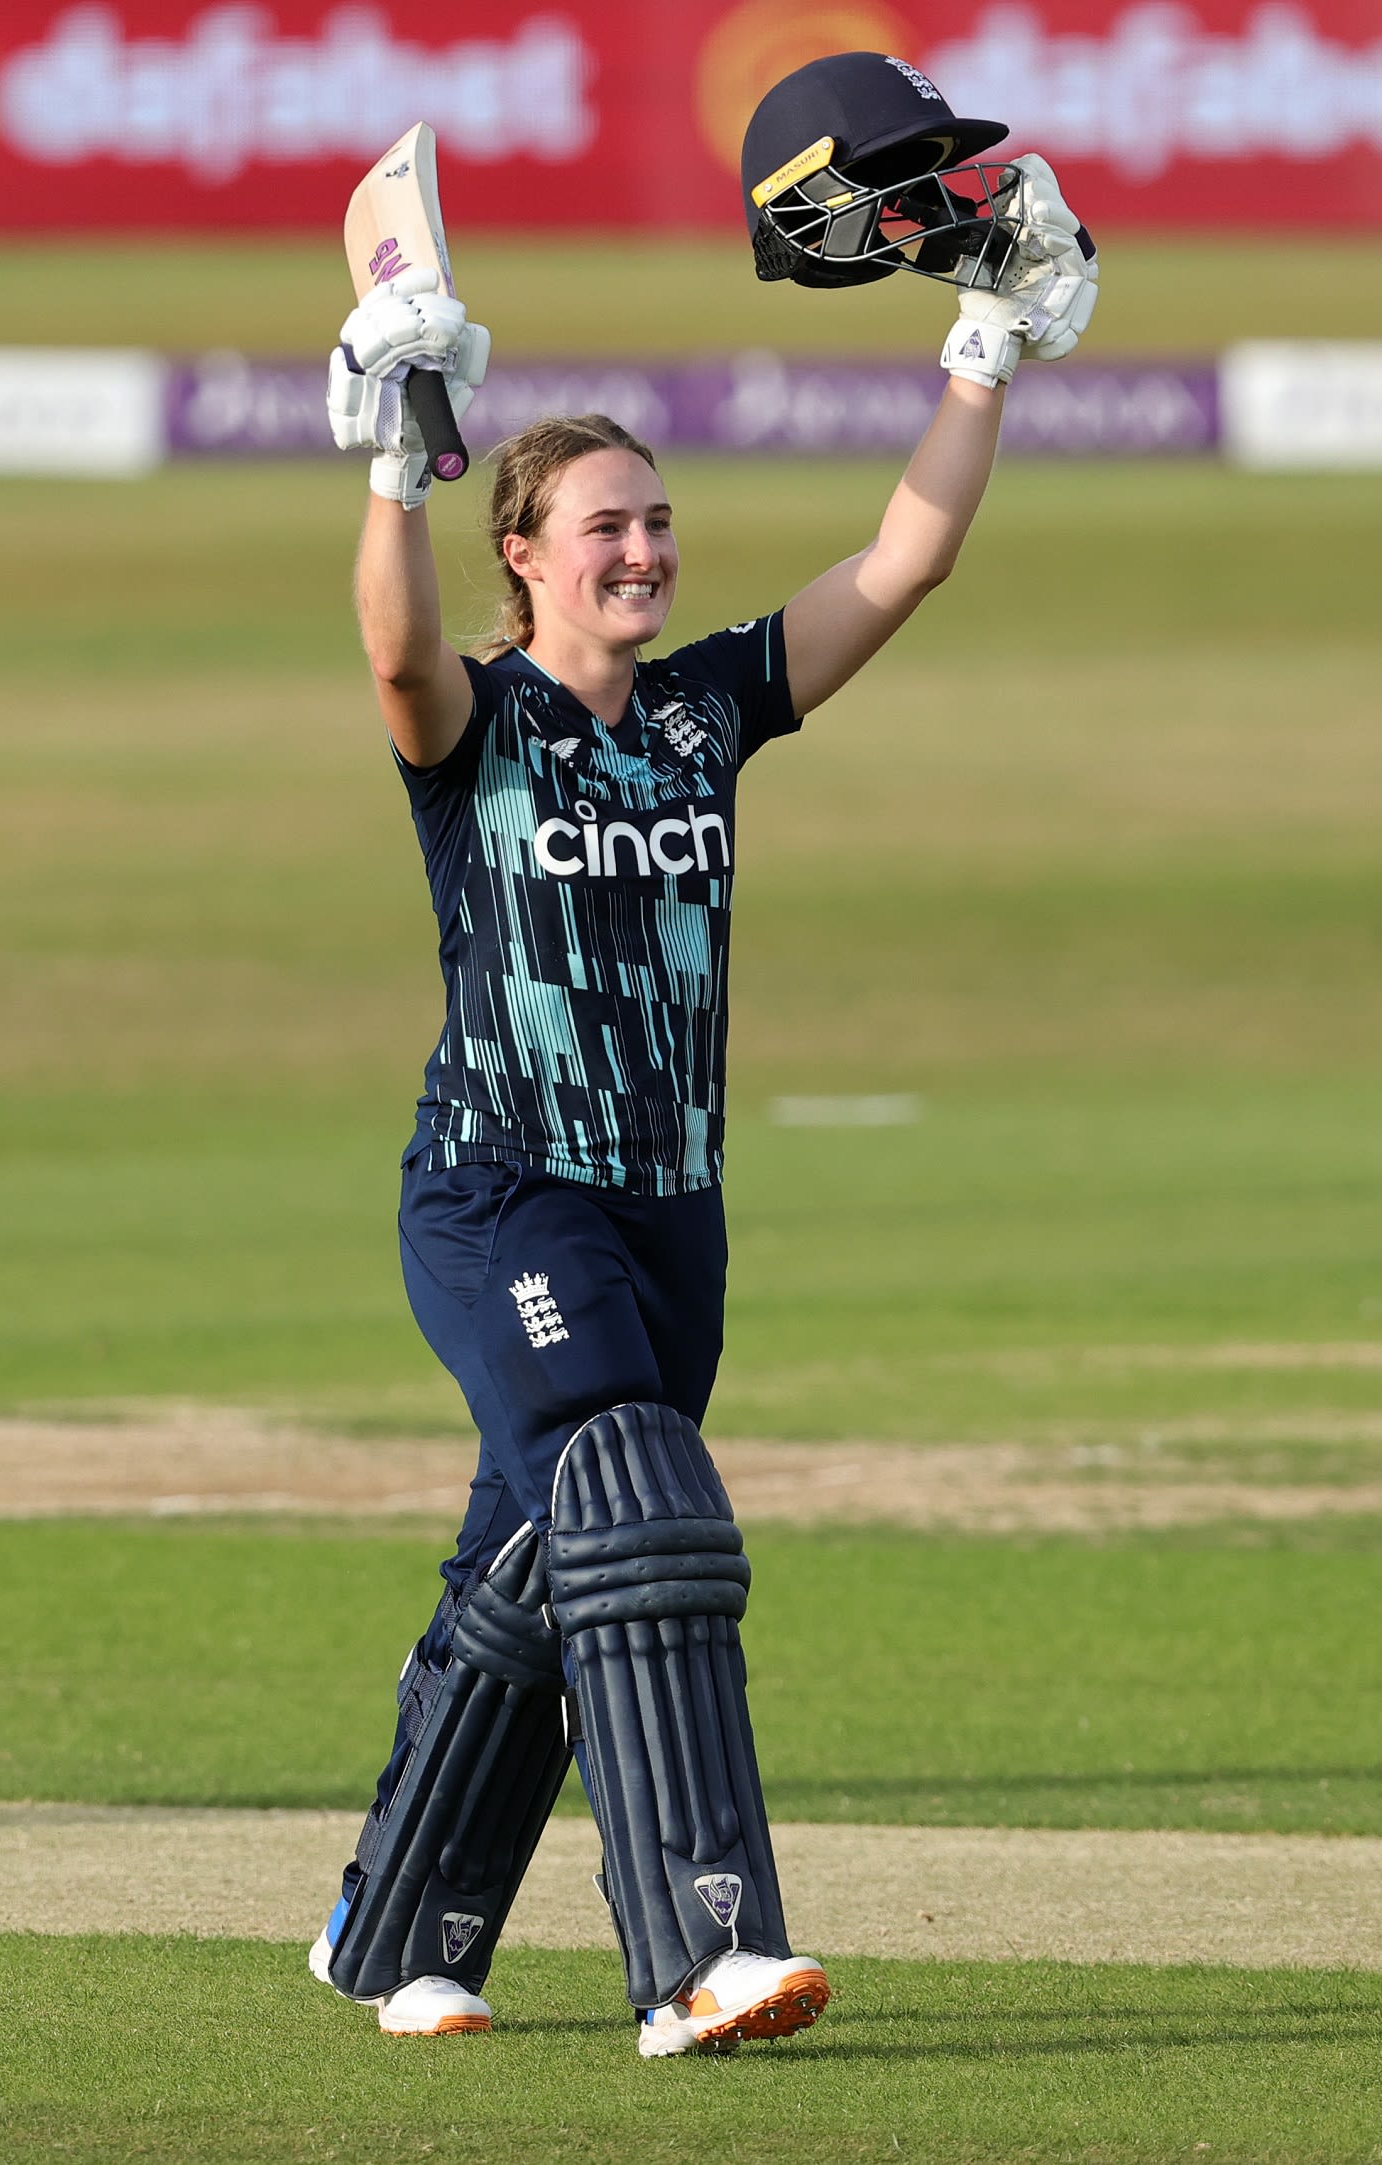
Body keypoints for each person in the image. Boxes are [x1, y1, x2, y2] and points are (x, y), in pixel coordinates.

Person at [313, 60, 1097, 2060]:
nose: (643, 551)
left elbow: (896, 569)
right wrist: (392, 449)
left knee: (544, 1547)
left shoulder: (701, 715)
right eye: (604, 528)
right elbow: (389, 653)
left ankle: (394, 1920)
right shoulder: (476, 723)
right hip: (502, 1185)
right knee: (644, 1504)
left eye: (659, 522)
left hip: (673, 1211)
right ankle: (699, 1952)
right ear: (526, 560)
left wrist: (986, 344)